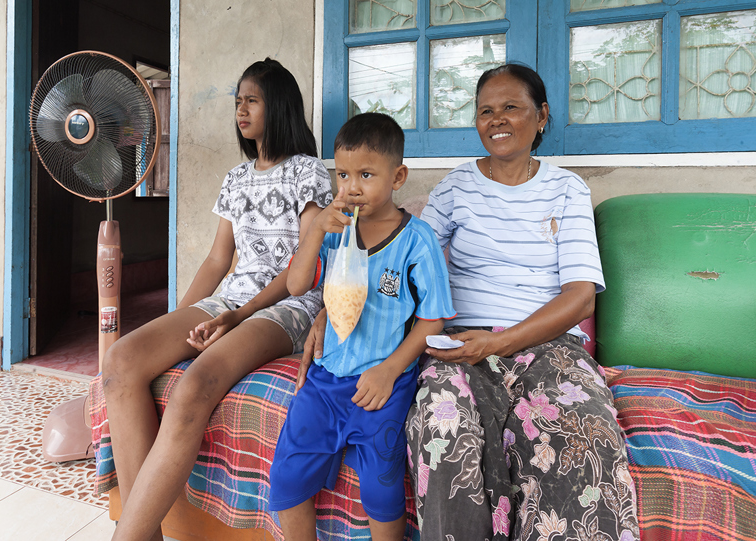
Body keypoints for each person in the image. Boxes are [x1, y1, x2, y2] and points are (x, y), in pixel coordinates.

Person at [303, 65, 640, 541]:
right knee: (442, 429)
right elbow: (400, 259)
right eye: (486, 111)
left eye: (511, 107)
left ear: (542, 116)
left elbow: (581, 296)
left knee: (583, 440)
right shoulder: (456, 187)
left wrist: (500, 343)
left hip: (548, 345)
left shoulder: (567, 189)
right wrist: (332, 309)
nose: (497, 119)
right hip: (457, 343)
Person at [103, 58, 333, 541]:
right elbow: (216, 260)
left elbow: (304, 267)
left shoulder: (309, 172)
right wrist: (177, 322)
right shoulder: (235, 178)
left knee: (195, 385)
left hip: (287, 306)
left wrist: (239, 315)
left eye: (252, 101)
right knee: (122, 360)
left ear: (279, 106)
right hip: (232, 298)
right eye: (237, 102)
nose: (240, 110)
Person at [269, 112, 456, 541]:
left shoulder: (417, 240)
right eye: (343, 175)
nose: (351, 187)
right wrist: (316, 230)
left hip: (383, 383)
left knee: (381, 489)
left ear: (397, 177)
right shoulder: (337, 231)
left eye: (366, 175)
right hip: (324, 380)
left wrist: (389, 371)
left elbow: (433, 319)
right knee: (286, 478)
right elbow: (296, 285)